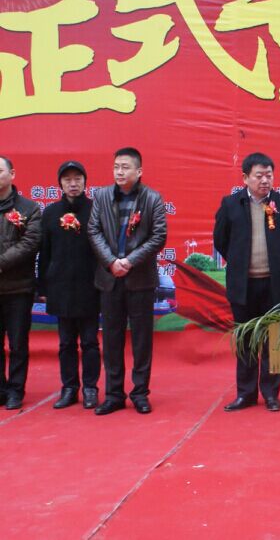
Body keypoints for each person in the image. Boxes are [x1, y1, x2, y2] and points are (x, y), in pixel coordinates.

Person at [214, 153, 280, 413]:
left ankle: (271, 393)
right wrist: (240, 262)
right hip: (243, 285)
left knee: (273, 340)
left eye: (268, 175)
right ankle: (246, 393)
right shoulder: (231, 204)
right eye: (259, 175)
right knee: (246, 340)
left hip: (273, 285)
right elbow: (221, 240)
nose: (264, 180)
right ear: (245, 178)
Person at [88, 147, 167, 415]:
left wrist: (130, 261)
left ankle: (140, 393)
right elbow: (93, 230)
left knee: (142, 340)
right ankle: (113, 394)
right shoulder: (101, 196)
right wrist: (112, 262)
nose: (119, 172)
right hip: (109, 277)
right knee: (111, 339)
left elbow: (159, 236)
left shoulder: (152, 198)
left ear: (139, 171)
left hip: (140, 278)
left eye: (125, 167)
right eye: (116, 167)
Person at [38, 161, 101, 409]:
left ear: (85, 182)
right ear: (60, 184)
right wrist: (43, 288)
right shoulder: (50, 213)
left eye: (77, 179)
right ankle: (69, 388)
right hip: (60, 287)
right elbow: (44, 253)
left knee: (90, 342)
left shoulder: (96, 209)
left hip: (89, 286)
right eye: (67, 180)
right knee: (66, 343)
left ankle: (90, 388)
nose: (73, 184)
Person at [0, 155, 41, 411]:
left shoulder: (29, 208)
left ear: (12, 174)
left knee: (17, 343)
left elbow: (30, 243)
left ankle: (16, 390)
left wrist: (1, 263)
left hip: (18, 288)